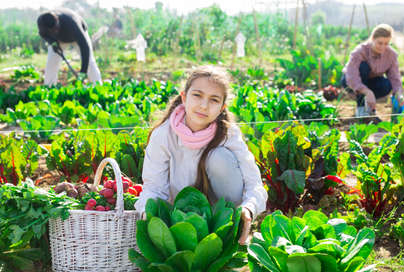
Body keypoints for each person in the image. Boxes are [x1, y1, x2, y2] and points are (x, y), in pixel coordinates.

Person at [134, 66, 267, 245]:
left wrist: (248, 209)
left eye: (214, 100)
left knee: (219, 157)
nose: (204, 106)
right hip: (181, 220)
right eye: (197, 95)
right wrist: (148, 213)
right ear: (184, 97)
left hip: (220, 219)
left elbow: (254, 183)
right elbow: (154, 188)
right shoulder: (164, 135)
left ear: (222, 108)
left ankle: (229, 231)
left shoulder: (228, 134)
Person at [341, 24, 403, 120]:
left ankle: (369, 107)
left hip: (372, 82)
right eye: (380, 43)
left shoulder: (391, 55)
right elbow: (351, 76)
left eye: (386, 43)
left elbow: (395, 77)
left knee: (387, 84)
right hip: (351, 82)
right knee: (364, 67)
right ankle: (361, 108)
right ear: (372, 39)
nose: (383, 47)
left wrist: (398, 93)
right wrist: (367, 92)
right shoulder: (360, 51)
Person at [37, 8, 102, 86]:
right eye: (53, 31)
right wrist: (53, 43)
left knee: (90, 63)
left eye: (56, 28)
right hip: (57, 40)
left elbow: (85, 47)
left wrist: (82, 73)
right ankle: (49, 87)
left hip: (76, 38)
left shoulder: (72, 23)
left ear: (57, 20)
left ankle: (98, 86)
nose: (56, 31)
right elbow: (43, 34)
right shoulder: (42, 22)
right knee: (51, 63)